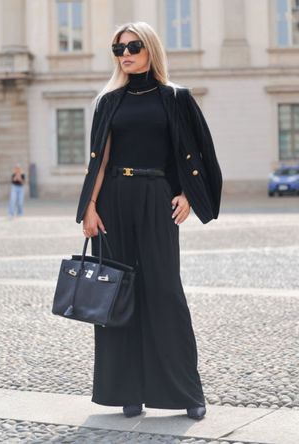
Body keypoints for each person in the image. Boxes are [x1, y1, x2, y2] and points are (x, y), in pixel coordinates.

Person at [76, 22, 222, 420]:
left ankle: (186, 392)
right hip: (113, 201)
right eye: (119, 48)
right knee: (118, 293)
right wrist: (89, 207)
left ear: (150, 49)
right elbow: (101, 160)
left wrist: (189, 194)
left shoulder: (176, 98)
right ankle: (127, 389)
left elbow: (199, 153)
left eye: (134, 46)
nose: (126, 53)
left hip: (157, 198)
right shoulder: (109, 101)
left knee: (165, 292)